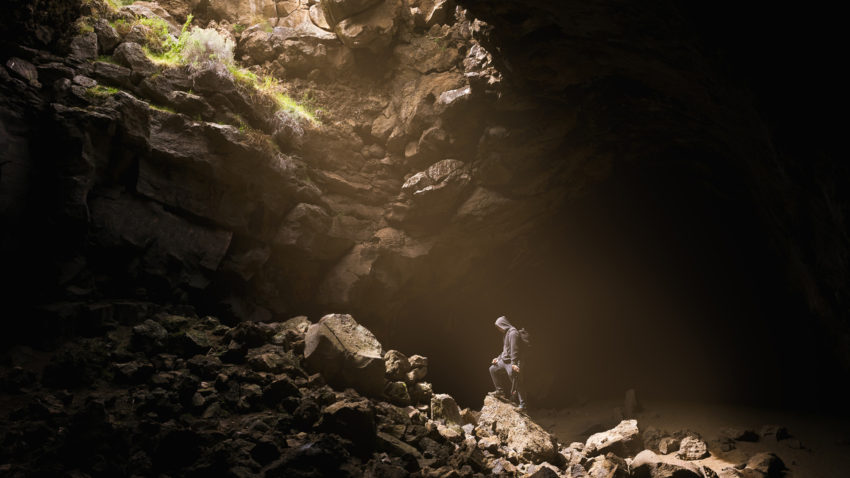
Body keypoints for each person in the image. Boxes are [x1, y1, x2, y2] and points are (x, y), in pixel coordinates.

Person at [488, 315, 526, 411]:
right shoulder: (506, 334)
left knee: (515, 380)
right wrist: (498, 358)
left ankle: (523, 405)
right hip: (504, 361)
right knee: (493, 369)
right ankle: (500, 391)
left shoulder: (513, 333)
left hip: (511, 362)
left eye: (498, 326)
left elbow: (514, 350)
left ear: (503, 324)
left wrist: (514, 364)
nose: (498, 329)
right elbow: (505, 350)